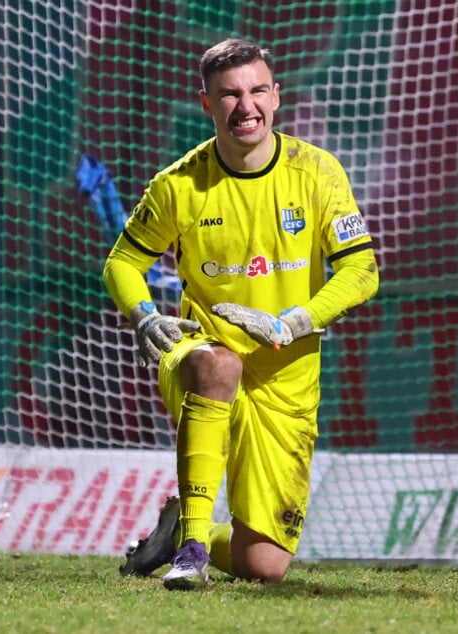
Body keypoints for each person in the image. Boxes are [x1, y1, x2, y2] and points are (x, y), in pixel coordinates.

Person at [103, 38, 379, 587]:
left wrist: (292, 322)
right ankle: (191, 553)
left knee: (264, 566)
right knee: (218, 363)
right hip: (200, 353)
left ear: (277, 97)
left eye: (257, 91)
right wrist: (144, 317)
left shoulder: (317, 173)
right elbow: (122, 263)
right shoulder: (178, 184)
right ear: (206, 103)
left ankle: (178, 529)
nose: (245, 106)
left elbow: (361, 271)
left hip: (287, 374)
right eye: (229, 94)